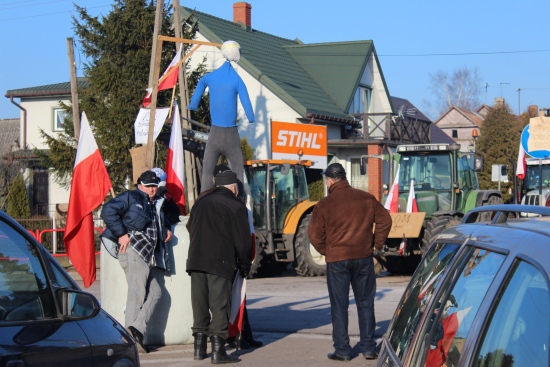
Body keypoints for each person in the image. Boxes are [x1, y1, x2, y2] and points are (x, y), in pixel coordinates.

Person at [307, 163, 392, 361]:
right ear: (344, 178)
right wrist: (375, 245)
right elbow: (385, 221)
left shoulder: (324, 204)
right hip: (363, 258)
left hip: (337, 261)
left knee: (339, 305)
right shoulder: (366, 198)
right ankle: (369, 348)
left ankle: (343, 351)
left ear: (329, 180)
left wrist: (328, 251)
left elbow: (314, 235)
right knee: (365, 303)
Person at [100, 170, 173, 354]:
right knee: (137, 292)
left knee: (156, 293)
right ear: (140, 184)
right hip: (133, 250)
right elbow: (107, 210)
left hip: (147, 255)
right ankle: (130, 341)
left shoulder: (156, 201)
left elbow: (160, 221)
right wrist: (122, 234)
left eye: (154, 186)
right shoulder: (131, 197)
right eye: (148, 186)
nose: (151, 189)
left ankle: (136, 329)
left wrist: (165, 228)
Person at [186, 171, 253, 363]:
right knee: (219, 306)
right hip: (220, 262)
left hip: (196, 261)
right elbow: (243, 242)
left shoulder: (200, 203)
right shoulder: (235, 205)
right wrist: (245, 264)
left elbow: (190, 228)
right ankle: (218, 352)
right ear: (234, 187)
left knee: (199, 305)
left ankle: (198, 350)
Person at [188, 40, 255, 192]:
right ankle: (239, 200)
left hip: (215, 133)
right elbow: (246, 101)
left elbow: (201, 84)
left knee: (207, 170)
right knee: (237, 170)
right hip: (231, 134)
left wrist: (193, 104)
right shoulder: (237, 80)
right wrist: (251, 117)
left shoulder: (211, 77)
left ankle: (203, 197)